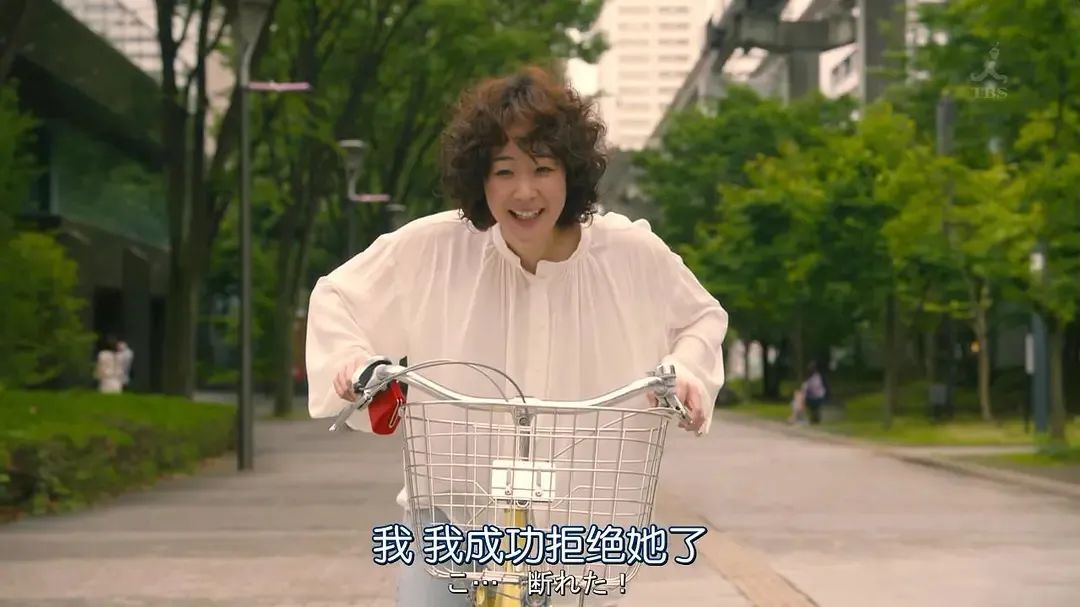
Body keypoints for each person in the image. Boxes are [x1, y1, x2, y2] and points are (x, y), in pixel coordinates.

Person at [305, 65, 729, 606]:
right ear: (479, 179)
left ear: (570, 173)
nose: (524, 191)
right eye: (503, 171)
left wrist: (685, 372)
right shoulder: (434, 248)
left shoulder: (631, 255)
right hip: (454, 513)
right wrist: (352, 361)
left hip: (578, 524)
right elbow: (338, 297)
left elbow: (699, 318)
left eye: (542, 168)